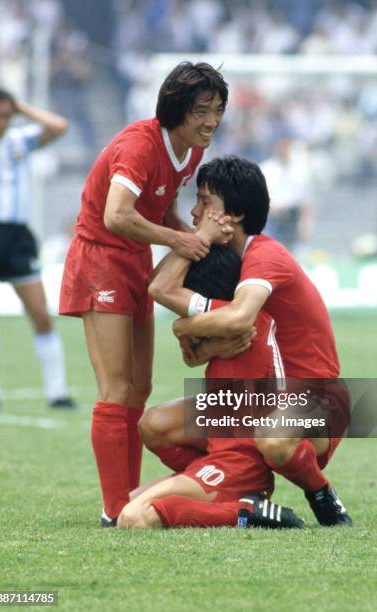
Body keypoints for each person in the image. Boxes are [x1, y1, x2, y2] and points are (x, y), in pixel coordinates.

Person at [58, 62, 229, 527]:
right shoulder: (139, 144)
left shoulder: (189, 151)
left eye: (217, 110)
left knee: (140, 387)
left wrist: (201, 240)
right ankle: (115, 508)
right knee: (115, 388)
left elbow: (162, 209)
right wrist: (179, 241)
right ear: (177, 109)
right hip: (101, 258)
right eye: (201, 111)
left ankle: (125, 496)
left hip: (134, 260)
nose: (211, 121)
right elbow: (116, 215)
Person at [142, 156, 352, 526]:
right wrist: (202, 237)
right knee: (154, 425)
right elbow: (160, 289)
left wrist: (184, 329)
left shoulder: (265, 256)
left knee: (272, 438)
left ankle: (322, 495)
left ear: (235, 214)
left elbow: (239, 318)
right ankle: (233, 493)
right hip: (250, 402)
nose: (195, 211)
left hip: (315, 398)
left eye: (206, 202)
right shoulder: (221, 260)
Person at [118, 244, 304, 530]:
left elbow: (158, 286)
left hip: (239, 468)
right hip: (226, 459)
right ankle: (213, 489)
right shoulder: (232, 320)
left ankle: (245, 511)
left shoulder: (231, 319)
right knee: (129, 503)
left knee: (133, 517)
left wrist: (198, 236)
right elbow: (192, 356)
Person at [0, 86, 75, 410]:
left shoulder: (18, 140)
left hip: (18, 238)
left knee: (40, 313)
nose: (1, 122)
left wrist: (22, 106)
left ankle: (57, 392)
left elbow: (59, 127)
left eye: (7, 115)